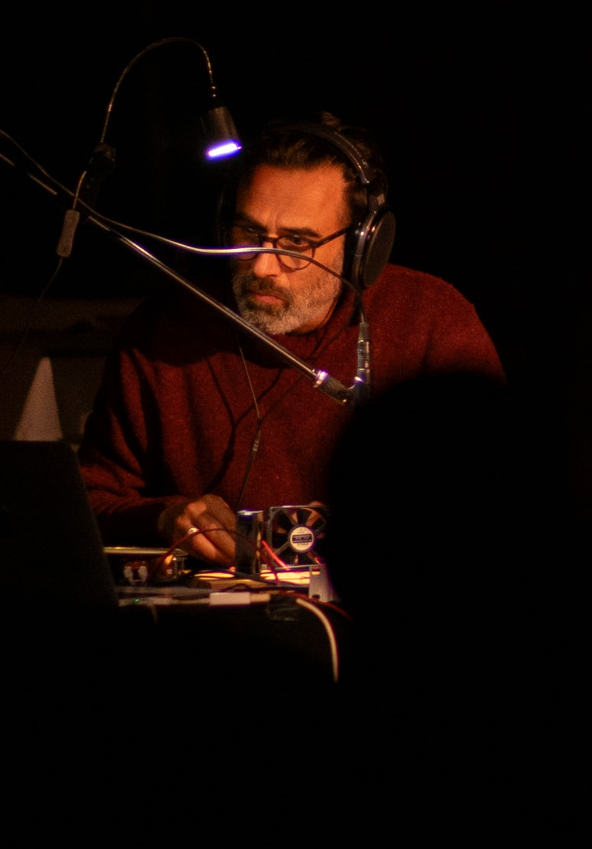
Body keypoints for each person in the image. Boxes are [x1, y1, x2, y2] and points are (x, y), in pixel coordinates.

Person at [78, 114, 503, 557]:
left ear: (361, 245)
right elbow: (87, 501)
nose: (263, 266)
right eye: (249, 232)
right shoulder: (166, 330)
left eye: (297, 243)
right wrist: (165, 517)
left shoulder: (431, 320)